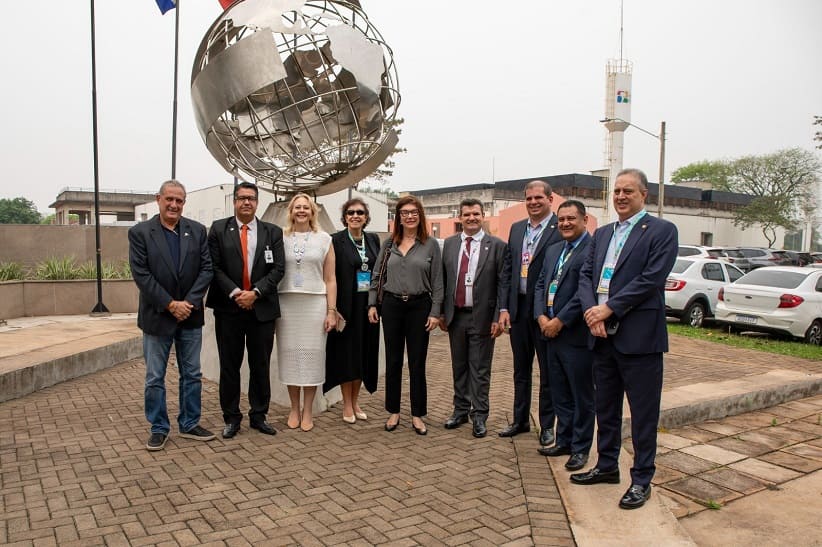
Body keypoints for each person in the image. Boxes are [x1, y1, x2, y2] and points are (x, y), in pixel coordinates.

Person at [572, 168, 678, 510]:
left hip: (639, 339)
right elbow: (585, 275)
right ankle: (606, 466)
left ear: (643, 195)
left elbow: (651, 279)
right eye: (616, 190)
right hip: (600, 336)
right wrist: (592, 313)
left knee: (644, 414)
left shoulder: (662, 231)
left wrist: (610, 310)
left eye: (628, 191)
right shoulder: (602, 234)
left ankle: (642, 479)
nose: (620, 196)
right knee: (606, 408)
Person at [128, 180, 215, 451]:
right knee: (155, 376)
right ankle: (158, 428)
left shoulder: (197, 231)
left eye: (179, 200)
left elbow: (206, 269)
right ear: (159, 199)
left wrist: (187, 303)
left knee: (192, 373)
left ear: (184, 203)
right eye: (170, 199)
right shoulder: (140, 233)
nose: (174, 205)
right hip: (157, 316)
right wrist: (169, 304)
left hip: (190, 316)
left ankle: (190, 423)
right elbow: (141, 275)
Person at [207, 182, 285, 439]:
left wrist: (256, 293)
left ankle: (259, 415)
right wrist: (236, 293)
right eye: (241, 198)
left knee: (260, 364)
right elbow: (214, 267)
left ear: (257, 202)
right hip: (228, 309)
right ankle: (231, 418)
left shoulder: (272, 232)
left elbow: (278, 269)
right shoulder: (219, 229)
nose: (246, 203)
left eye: (251, 198)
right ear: (234, 201)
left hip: (261, 309)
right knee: (229, 365)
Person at [368, 196, 443, 436]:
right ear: (398, 217)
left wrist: (435, 312)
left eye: (413, 212)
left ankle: (418, 414)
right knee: (392, 360)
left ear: (420, 216)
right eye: (404, 213)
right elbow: (377, 275)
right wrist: (372, 304)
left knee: (417, 362)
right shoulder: (389, 244)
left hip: (419, 306)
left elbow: (438, 282)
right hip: (391, 306)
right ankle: (394, 411)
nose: (409, 216)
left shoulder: (430, 245)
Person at [497, 180, 562, 445]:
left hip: (546, 312)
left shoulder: (561, 228)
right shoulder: (516, 229)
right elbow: (508, 272)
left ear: (550, 199)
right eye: (529, 199)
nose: (533, 202)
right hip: (519, 309)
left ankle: (547, 425)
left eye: (539, 198)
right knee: (520, 369)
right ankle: (520, 420)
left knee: (548, 371)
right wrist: (504, 307)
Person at [533, 200, 594, 471]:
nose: (565, 224)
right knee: (558, 391)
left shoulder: (592, 249)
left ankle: (580, 448)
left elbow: (585, 292)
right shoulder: (554, 250)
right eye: (562, 219)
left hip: (575, 335)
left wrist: (560, 320)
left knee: (581, 395)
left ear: (585, 220)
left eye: (571, 218)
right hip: (549, 332)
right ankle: (564, 440)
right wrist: (541, 317)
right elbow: (540, 284)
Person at [439, 198, 508, 438]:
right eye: (466, 214)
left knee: (479, 369)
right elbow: (443, 280)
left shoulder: (496, 245)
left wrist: (499, 314)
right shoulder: (448, 244)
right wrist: (440, 313)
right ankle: (460, 410)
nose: (471, 218)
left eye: (476, 214)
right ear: (460, 217)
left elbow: (502, 283)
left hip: (483, 316)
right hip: (455, 315)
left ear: (483, 215)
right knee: (459, 366)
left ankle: (479, 415)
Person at [276, 193, 337, 432]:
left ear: (313, 212)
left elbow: (330, 279)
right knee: (290, 356)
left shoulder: (324, 239)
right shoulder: (279, 237)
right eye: (297, 207)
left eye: (306, 207)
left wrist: (331, 311)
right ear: (291, 211)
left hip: (314, 304)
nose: (302, 211)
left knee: (312, 358)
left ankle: (309, 409)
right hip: (287, 303)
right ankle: (294, 408)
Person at [324, 198, 381, 423]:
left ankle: (356, 401)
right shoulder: (335, 240)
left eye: (360, 212)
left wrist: (375, 303)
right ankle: (346, 404)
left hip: (368, 308)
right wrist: (332, 308)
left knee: (362, 356)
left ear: (366, 217)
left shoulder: (374, 239)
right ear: (345, 217)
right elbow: (329, 275)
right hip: (345, 308)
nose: (355, 216)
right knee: (346, 357)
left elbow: (378, 273)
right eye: (350, 213)